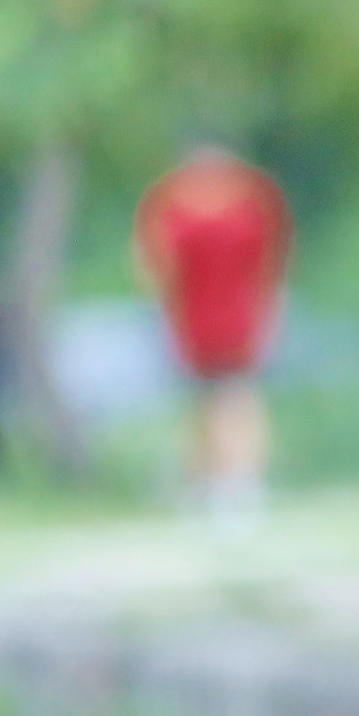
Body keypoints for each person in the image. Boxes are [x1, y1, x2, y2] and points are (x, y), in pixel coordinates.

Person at [134, 148, 293, 518]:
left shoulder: (175, 201)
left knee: (225, 400)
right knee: (226, 401)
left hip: (214, 320)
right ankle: (224, 482)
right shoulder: (252, 198)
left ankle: (230, 482)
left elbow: (152, 264)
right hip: (215, 320)